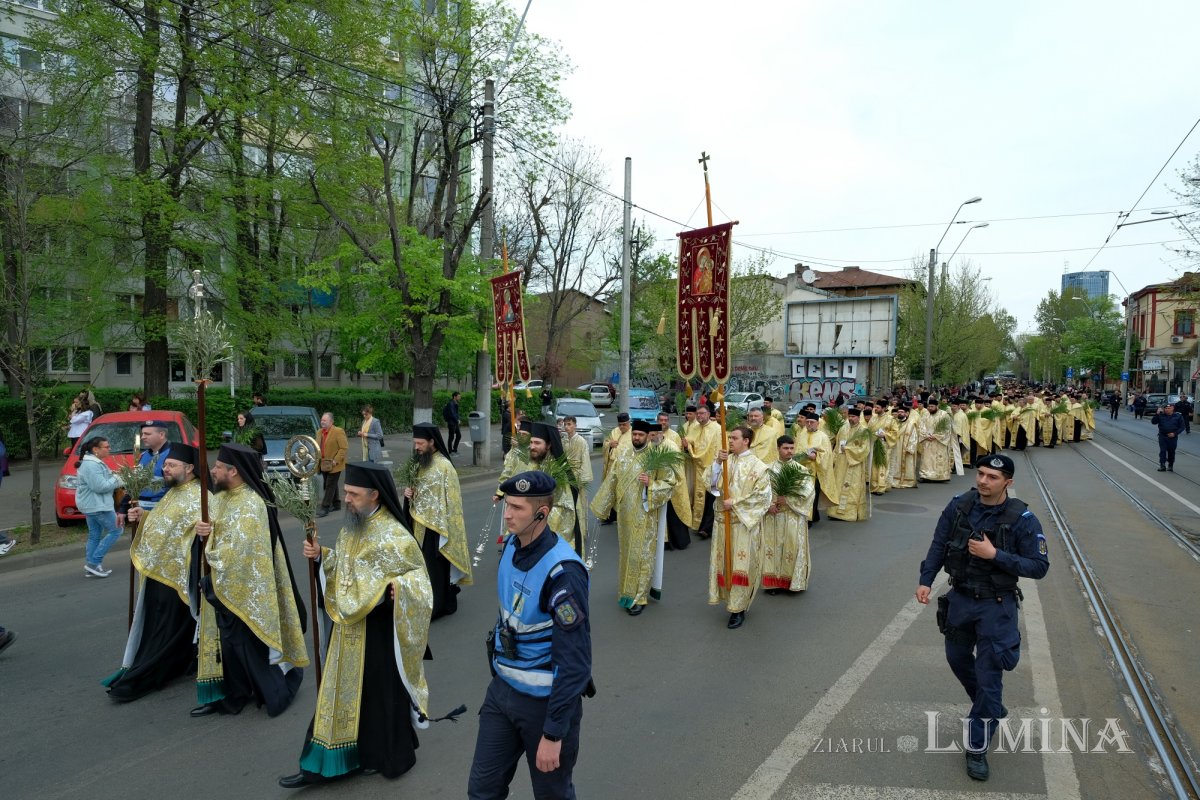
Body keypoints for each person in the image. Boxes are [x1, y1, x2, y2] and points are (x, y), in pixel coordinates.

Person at [279, 462, 437, 789]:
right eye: (346, 492)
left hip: (378, 631)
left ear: (374, 494)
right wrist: (322, 556)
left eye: (353, 493)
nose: (346, 499)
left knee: (379, 698)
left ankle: (384, 756)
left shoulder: (395, 536)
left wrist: (401, 589)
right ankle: (328, 761)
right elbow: (346, 566)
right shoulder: (353, 525)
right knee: (340, 695)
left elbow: (419, 582)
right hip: (348, 626)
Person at [915, 454, 1050, 782]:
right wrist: (926, 578)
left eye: (992, 477)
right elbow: (938, 544)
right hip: (961, 598)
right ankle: (989, 707)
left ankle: (976, 747)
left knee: (989, 675)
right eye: (982, 474)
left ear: (1008, 482)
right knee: (957, 658)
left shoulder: (1023, 519)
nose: (983, 481)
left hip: (996, 605)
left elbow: (1039, 566)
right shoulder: (959, 505)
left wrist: (995, 555)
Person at [468, 471, 592, 799]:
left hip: (543, 706)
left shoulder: (563, 573)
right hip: (502, 693)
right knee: (482, 791)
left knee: (552, 795)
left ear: (542, 513)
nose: (507, 514)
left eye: (517, 508)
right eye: (507, 505)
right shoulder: (511, 543)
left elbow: (575, 661)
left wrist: (553, 733)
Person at [192, 443, 308, 718]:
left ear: (233, 471)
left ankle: (276, 692)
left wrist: (209, 550)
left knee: (249, 648)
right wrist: (201, 533)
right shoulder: (219, 498)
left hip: (247, 590)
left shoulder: (251, 504)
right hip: (224, 586)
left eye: (218, 467)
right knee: (230, 650)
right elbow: (212, 534)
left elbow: (240, 551)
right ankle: (235, 694)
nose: (213, 471)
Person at [104, 442, 208, 702]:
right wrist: (144, 515)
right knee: (155, 625)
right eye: (166, 465)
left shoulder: (201, 497)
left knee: (168, 629)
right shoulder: (173, 492)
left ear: (190, 467)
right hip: (157, 572)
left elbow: (201, 531)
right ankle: (145, 667)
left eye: (172, 465)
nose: (166, 469)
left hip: (178, 579)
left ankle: (147, 675)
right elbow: (166, 522)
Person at [590, 419, 676, 615]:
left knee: (642, 555)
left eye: (640, 435)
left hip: (645, 514)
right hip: (625, 515)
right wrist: (601, 507)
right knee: (627, 554)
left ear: (647, 436)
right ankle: (626, 592)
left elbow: (670, 483)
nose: (636, 437)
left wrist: (651, 484)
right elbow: (612, 479)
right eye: (634, 434)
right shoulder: (624, 452)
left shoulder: (657, 456)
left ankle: (639, 597)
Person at [708, 425, 772, 629]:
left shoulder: (758, 467)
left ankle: (738, 608)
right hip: (722, 524)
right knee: (724, 565)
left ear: (746, 441)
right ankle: (728, 599)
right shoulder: (726, 461)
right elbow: (709, 483)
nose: (730, 441)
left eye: (734, 438)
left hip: (743, 525)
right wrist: (718, 462)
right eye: (729, 437)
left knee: (740, 567)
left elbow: (763, 497)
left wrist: (735, 503)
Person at [406, 424, 472, 619]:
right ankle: (422, 602)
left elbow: (453, 503)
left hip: (437, 528)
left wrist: (448, 528)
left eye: (420, 443)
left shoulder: (445, 466)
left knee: (434, 570)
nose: (417, 447)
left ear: (432, 442)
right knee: (420, 568)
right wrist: (408, 494)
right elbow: (416, 490)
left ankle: (437, 606)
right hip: (419, 524)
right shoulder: (419, 463)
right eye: (415, 443)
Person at [761, 435, 816, 594]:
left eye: (792, 448)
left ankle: (793, 582)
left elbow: (808, 492)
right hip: (773, 515)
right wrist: (769, 505)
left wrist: (789, 500)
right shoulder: (768, 469)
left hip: (793, 516)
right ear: (778, 449)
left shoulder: (801, 470)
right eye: (785, 448)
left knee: (793, 547)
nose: (789, 451)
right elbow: (760, 492)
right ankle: (773, 583)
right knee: (773, 548)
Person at [76, 436, 125, 578]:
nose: (109, 449)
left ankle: (92, 567)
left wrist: (115, 476)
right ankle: (93, 563)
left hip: (93, 505)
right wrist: (118, 478)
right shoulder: (92, 465)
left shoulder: (94, 463)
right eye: (107, 447)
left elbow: (102, 481)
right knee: (117, 530)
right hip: (97, 506)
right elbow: (100, 486)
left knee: (94, 535)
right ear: (95, 449)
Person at [683, 404, 720, 538]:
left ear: (709, 414)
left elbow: (718, 448)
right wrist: (687, 446)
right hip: (696, 467)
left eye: (702, 413)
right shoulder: (694, 427)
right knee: (698, 496)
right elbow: (688, 442)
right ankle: (698, 525)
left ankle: (707, 528)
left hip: (711, 468)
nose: (699, 416)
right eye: (698, 414)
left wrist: (716, 466)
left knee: (710, 498)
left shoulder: (717, 429)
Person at [827, 408, 871, 521]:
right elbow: (837, 447)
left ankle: (849, 514)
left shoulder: (863, 431)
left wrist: (847, 449)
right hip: (841, 464)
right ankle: (834, 512)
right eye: (849, 416)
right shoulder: (843, 428)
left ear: (858, 417)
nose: (851, 418)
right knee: (838, 485)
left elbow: (864, 449)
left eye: (853, 417)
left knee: (852, 488)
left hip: (854, 464)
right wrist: (833, 461)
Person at [128, 420, 172, 514]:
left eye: (147, 434)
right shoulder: (144, 455)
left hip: (161, 512)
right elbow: (135, 483)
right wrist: (122, 510)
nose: (143, 437)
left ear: (161, 435)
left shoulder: (172, 456)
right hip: (141, 512)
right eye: (142, 434)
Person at [599, 412, 632, 526]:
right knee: (610, 491)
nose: (622, 427)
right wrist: (609, 444)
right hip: (611, 467)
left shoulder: (633, 434)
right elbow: (606, 443)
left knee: (622, 493)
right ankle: (610, 516)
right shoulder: (614, 431)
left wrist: (619, 447)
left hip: (624, 469)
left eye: (624, 424)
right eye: (620, 424)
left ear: (629, 423)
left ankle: (623, 517)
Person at [316, 412, 348, 518]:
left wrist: (336, 460)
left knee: (329, 485)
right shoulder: (319, 432)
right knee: (330, 483)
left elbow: (343, 448)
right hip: (323, 464)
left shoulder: (338, 431)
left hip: (335, 464)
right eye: (322, 420)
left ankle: (325, 507)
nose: (322, 422)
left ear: (331, 421)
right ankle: (337, 504)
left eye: (325, 420)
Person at [918, 399, 954, 482]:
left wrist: (935, 436)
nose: (930, 408)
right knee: (927, 460)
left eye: (932, 406)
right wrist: (926, 435)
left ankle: (939, 477)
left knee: (938, 459)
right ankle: (925, 476)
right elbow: (921, 427)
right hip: (927, 441)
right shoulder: (925, 414)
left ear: (937, 406)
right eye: (929, 406)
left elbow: (947, 429)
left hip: (939, 442)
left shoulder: (944, 415)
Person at [1152, 401, 1185, 471]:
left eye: (1169, 408)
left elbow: (1182, 427)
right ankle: (1162, 465)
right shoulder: (1161, 415)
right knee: (1163, 451)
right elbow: (1153, 422)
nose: (1167, 409)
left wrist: (1174, 434)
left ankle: (1170, 465)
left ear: (1173, 408)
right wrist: (1157, 414)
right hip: (1163, 436)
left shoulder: (1178, 416)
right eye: (1166, 408)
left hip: (1173, 437)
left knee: (1171, 451)